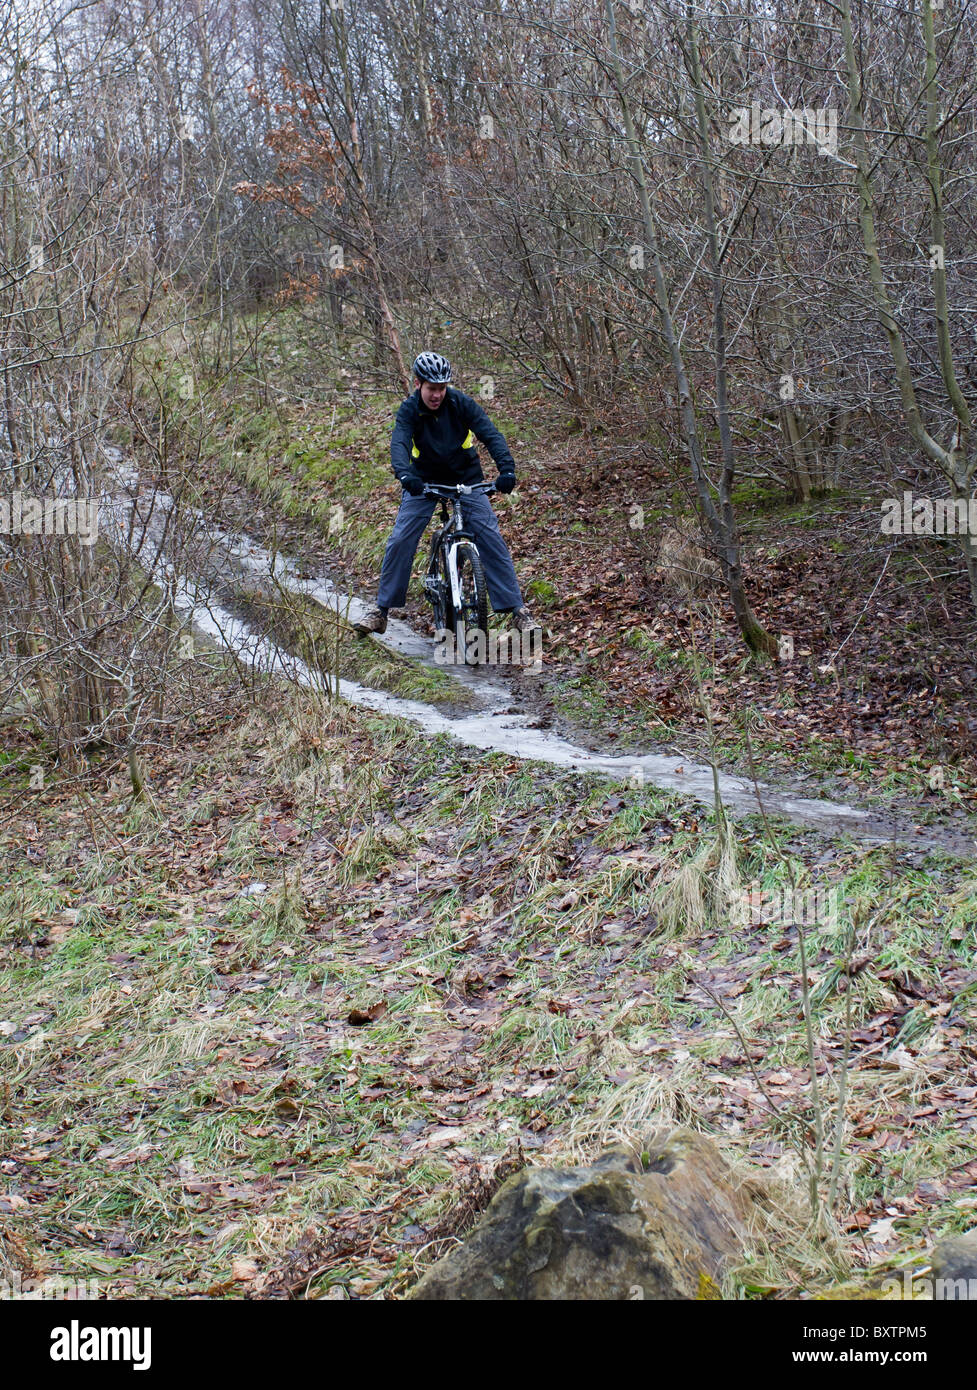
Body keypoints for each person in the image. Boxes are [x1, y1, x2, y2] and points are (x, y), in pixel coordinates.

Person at [354, 351, 540, 636]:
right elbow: (399, 444)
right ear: (419, 385)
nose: (437, 395)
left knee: (490, 535)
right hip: (423, 482)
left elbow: (490, 434)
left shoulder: (460, 403)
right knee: (402, 537)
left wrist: (507, 471)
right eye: (432, 389)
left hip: (466, 479)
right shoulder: (409, 410)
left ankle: (518, 611)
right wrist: (405, 475)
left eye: (442, 388)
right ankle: (381, 611)